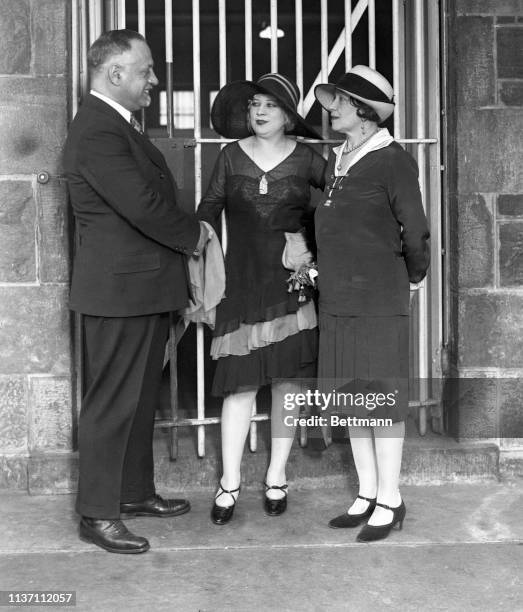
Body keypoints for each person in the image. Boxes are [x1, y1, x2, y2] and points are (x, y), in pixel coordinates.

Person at [63, 29, 209, 554]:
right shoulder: (98, 130)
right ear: (115, 73)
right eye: (145, 71)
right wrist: (195, 235)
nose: (152, 81)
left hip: (140, 290)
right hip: (118, 293)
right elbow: (142, 205)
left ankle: (133, 493)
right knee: (112, 403)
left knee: (140, 399)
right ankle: (97, 514)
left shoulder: (117, 125)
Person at [197, 74, 326, 524]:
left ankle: (276, 476)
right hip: (241, 285)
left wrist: (307, 240)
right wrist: (198, 277)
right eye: (255, 104)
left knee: (287, 386)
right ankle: (229, 483)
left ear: (289, 116)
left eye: (270, 105)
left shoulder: (310, 158)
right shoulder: (230, 156)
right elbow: (206, 214)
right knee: (240, 388)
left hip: (290, 287)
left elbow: (338, 211)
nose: (260, 111)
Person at [313, 65, 430, 542]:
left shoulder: (393, 160)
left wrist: (414, 276)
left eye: (338, 101)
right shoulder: (336, 158)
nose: (330, 109)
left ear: (363, 111)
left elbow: (416, 229)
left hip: (379, 297)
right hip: (337, 297)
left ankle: (391, 498)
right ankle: (366, 494)